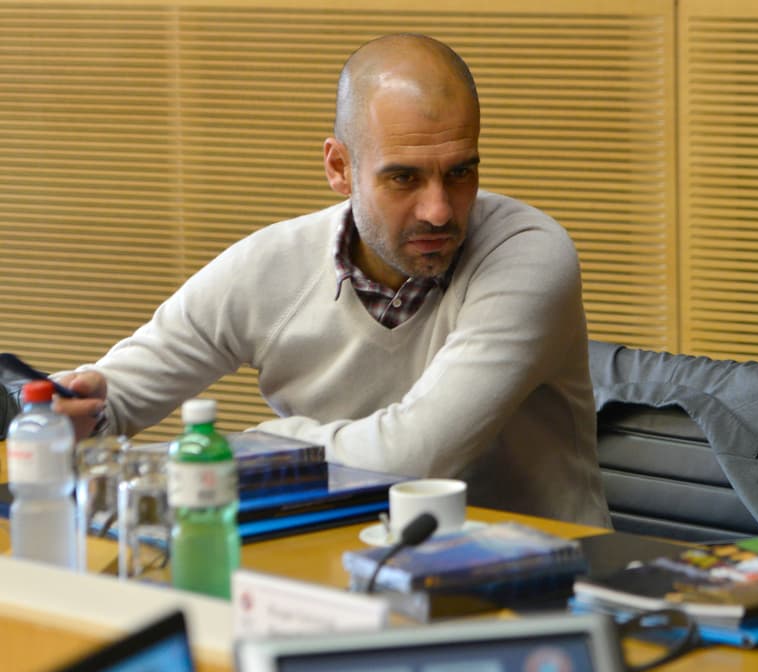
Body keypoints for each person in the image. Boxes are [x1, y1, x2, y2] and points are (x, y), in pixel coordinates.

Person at [54, 34, 609, 526]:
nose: (439, 210)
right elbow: (114, 397)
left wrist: (240, 453)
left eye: (460, 171)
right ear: (338, 167)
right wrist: (82, 414)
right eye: (404, 178)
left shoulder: (529, 254)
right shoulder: (272, 264)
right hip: (340, 566)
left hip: (542, 588)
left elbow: (416, 457)